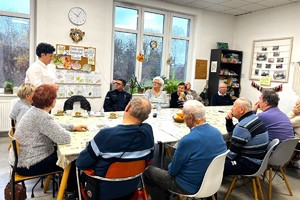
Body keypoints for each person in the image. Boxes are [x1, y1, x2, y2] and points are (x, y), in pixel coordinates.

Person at [143, 100, 227, 200]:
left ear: (190, 117)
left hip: (188, 186)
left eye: (184, 115)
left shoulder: (188, 140)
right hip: (213, 183)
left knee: (149, 172)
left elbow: (173, 172)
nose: (183, 118)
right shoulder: (217, 132)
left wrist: (170, 165)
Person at [76, 97, 154, 199]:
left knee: (76, 168)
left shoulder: (106, 135)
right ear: (146, 117)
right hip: (129, 190)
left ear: (127, 107)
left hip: (101, 193)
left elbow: (81, 163)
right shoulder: (147, 132)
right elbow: (150, 156)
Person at [224, 97, 269, 175]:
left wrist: (219, 160)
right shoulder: (253, 118)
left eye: (234, 106)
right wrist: (229, 120)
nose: (232, 108)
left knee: (214, 164)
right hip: (259, 159)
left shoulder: (242, 127)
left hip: (249, 164)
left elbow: (232, 154)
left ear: (241, 110)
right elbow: (233, 133)